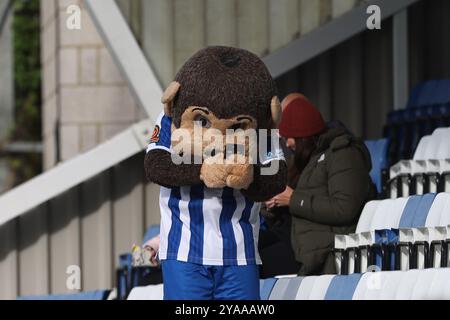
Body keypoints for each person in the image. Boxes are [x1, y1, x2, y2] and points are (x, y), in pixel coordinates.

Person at [267, 93, 376, 276]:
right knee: (249, 251)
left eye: (289, 138)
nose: (287, 144)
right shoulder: (306, 158)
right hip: (299, 240)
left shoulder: (343, 154)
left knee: (258, 262)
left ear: (303, 135)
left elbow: (344, 208)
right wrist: (271, 203)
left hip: (326, 250)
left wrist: (293, 199)